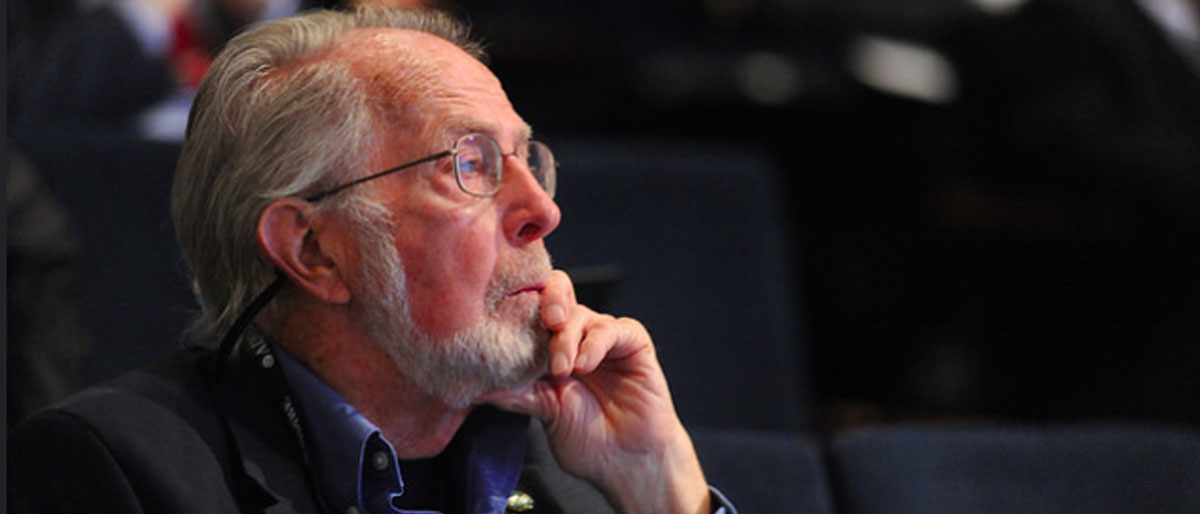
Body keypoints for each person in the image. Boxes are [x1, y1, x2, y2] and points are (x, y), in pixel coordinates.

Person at [8, 6, 737, 514]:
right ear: (314, 250)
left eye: (527, 159)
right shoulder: (119, 472)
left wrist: (663, 488)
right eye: (472, 165)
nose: (543, 211)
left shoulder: (578, 460)